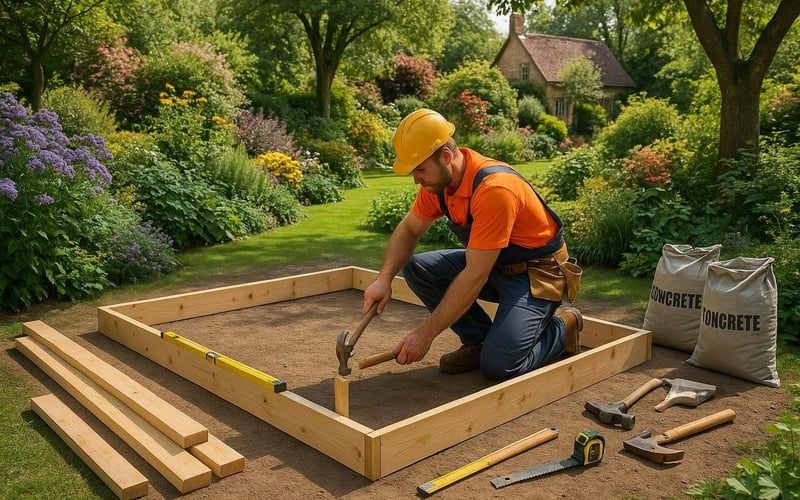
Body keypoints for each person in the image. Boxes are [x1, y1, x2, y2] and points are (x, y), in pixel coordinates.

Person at [362, 108, 583, 381]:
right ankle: (477, 342)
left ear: (446, 157)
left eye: (420, 169)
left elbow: (476, 274)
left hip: (537, 275)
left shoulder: (494, 190)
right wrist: (384, 279)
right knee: (419, 268)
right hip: (496, 265)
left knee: (500, 366)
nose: (416, 179)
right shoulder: (439, 185)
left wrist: (425, 334)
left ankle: (564, 328)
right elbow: (409, 229)